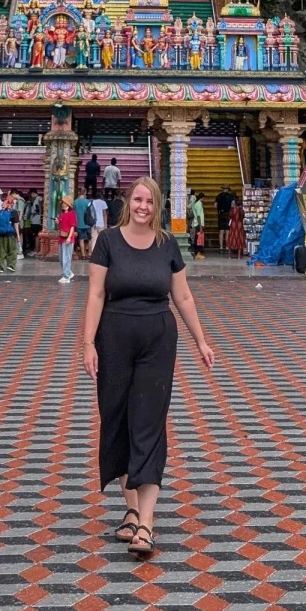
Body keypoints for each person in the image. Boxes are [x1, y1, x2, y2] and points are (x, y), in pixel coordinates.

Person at [83, 177, 215, 558]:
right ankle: (130, 509)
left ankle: (146, 523)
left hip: (158, 338)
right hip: (114, 337)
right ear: (129, 201)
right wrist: (88, 343)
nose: (143, 207)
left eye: (150, 202)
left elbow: (183, 295)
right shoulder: (107, 241)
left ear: (158, 207)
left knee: (149, 422)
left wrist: (201, 340)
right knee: (118, 418)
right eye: (138, 200)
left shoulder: (167, 244)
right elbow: (95, 293)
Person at [0, 196, 19, 273]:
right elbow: (16, 224)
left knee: (2, 251)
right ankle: (11, 265)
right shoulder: (13, 212)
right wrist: (18, 235)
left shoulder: (1, 211)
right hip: (11, 234)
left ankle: (1, 267)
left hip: (2, 234)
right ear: (12, 203)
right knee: (12, 250)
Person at [57, 197, 78, 283]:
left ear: (68, 205)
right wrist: (58, 222)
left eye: (64, 203)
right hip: (61, 238)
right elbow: (60, 226)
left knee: (66, 257)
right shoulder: (62, 214)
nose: (63, 205)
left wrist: (69, 237)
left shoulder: (72, 213)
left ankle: (66, 276)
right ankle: (68, 272)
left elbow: (72, 226)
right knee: (61, 258)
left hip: (68, 238)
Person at [73, 187, 93, 259]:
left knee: (81, 239)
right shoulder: (88, 202)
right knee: (89, 239)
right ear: (84, 193)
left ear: (78, 193)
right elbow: (91, 212)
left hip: (79, 223)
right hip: (87, 223)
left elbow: (74, 212)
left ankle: (83, 254)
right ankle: (90, 253)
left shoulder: (75, 202)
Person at [186, 192, 206, 259]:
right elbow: (198, 216)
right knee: (198, 239)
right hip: (198, 224)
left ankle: (197, 253)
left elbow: (188, 207)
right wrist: (200, 226)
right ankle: (197, 253)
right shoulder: (198, 204)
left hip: (196, 223)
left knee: (197, 239)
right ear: (202, 198)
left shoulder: (195, 203)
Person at [215, 186, 233, 253]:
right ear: (228, 189)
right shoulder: (231, 196)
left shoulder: (218, 196)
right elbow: (233, 205)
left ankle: (221, 247)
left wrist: (220, 208)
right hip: (228, 215)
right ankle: (227, 247)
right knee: (227, 232)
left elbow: (215, 205)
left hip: (220, 215)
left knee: (221, 232)